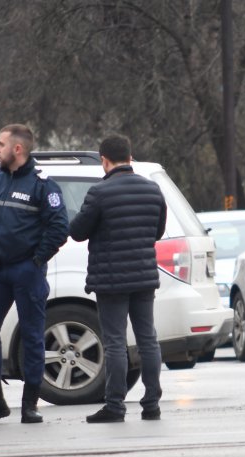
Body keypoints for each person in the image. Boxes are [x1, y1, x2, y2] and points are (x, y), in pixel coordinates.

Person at [0, 124, 68, 425]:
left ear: (18, 149)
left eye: (0, 144)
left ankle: (29, 403)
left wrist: (36, 260)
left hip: (27, 271)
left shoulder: (42, 185)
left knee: (33, 335)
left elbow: (59, 228)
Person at [69, 135, 166, 423]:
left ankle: (115, 405)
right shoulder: (153, 190)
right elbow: (157, 232)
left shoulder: (99, 193)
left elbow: (77, 231)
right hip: (144, 276)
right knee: (148, 339)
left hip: (111, 279)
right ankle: (152, 404)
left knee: (114, 342)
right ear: (130, 156)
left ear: (104, 160)